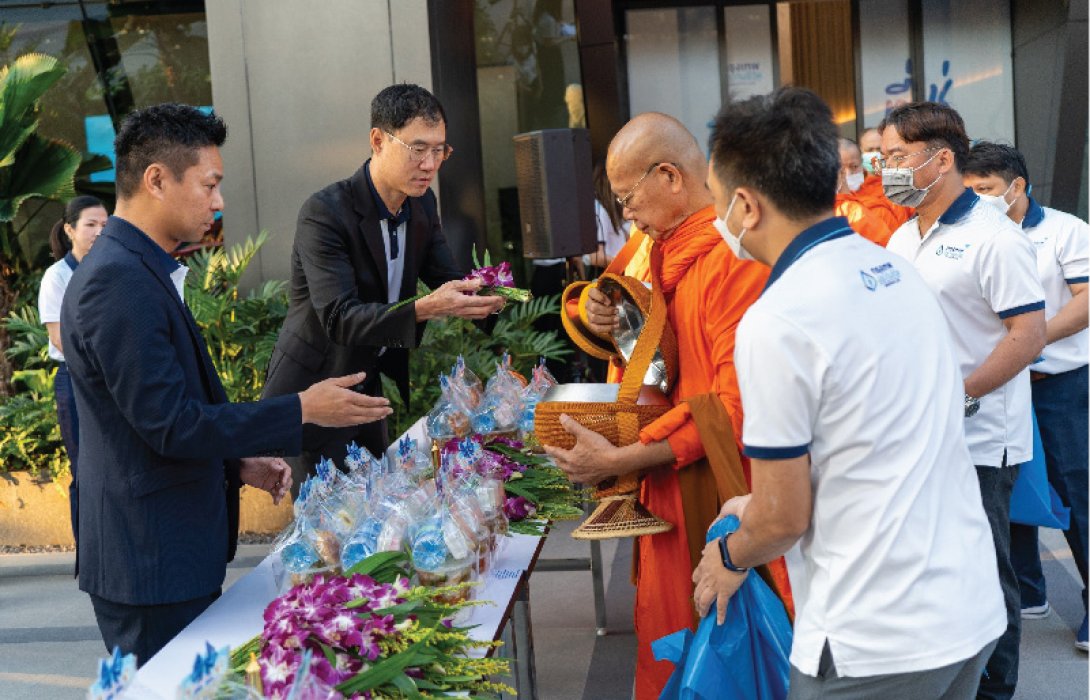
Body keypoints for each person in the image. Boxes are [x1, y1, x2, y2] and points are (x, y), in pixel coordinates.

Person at [692, 85, 1005, 700]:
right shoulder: (896, 269)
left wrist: (729, 555)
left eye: (715, 202)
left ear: (746, 206)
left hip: (875, 641)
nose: (716, 220)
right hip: (966, 607)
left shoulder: (779, 319)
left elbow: (783, 518)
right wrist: (751, 510)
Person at [60, 103, 393, 665]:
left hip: (167, 554)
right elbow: (171, 425)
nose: (219, 202)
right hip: (149, 564)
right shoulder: (116, 281)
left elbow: (152, 418)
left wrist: (235, 463)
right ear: (157, 179)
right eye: (209, 184)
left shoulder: (136, 268)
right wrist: (303, 408)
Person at [545, 112, 780, 700]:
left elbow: (733, 408)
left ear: (671, 177)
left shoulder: (734, 262)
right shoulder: (651, 244)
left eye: (627, 197)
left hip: (723, 484)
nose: (624, 213)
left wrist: (625, 454)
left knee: (721, 646)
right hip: (662, 474)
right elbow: (606, 298)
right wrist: (591, 309)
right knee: (665, 636)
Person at [883, 103, 1047, 700]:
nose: (886, 169)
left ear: (941, 158)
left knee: (988, 571)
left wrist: (960, 395)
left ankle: (994, 691)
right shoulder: (904, 234)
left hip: (980, 438)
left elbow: (1026, 336)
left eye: (897, 157)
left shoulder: (993, 238)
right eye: (883, 158)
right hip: (917, 435)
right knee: (937, 570)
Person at [262, 84, 503, 489]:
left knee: (378, 519)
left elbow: (449, 280)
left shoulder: (422, 204)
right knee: (327, 537)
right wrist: (429, 307)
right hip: (315, 390)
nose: (430, 164)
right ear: (378, 140)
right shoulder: (325, 212)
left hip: (367, 387)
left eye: (440, 150)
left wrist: (494, 299)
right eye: (418, 149)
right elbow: (340, 318)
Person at [964, 141, 1089, 651]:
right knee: (1005, 483)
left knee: (1076, 489)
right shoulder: (971, 234)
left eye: (986, 189)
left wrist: (1030, 339)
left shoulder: (1065, 231)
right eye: (969, 190)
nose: (977, 198)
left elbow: (1085, 302)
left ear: (1017, 186)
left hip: (1059, 383)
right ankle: (1028, 591)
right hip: (999, 383)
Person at [38, 195, 108, 542]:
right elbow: (60, 338)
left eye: (105, 225)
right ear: (69, 230)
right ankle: (89, 551)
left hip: (111, 379)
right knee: (85, 470)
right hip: (77, 379)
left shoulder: (110, 269)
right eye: (90, 225)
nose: (99, 232)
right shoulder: (57, 276)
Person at [834, 137, 893, 245]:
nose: (847, 173)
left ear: (862, 163)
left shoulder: (884, 193)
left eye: (854, 166)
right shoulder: (822, 208)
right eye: (841, 169)